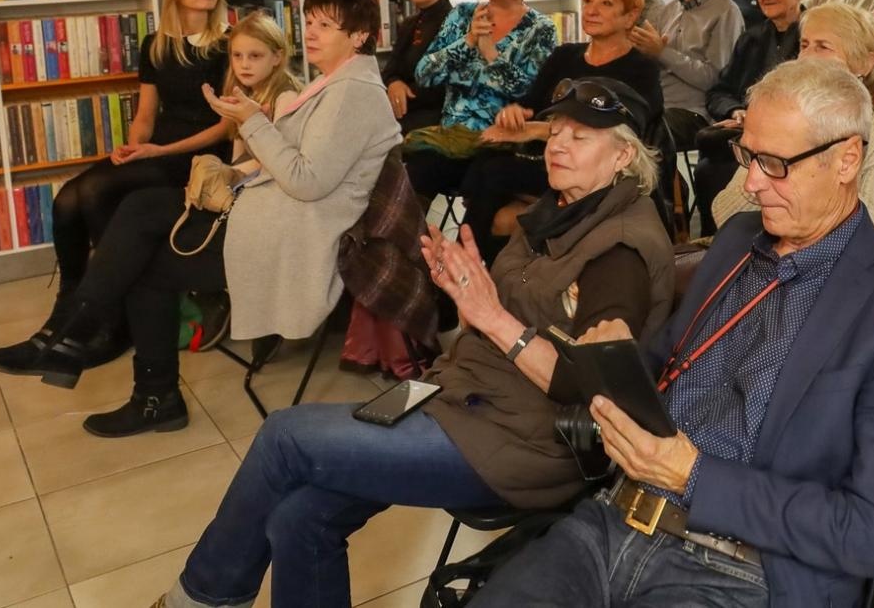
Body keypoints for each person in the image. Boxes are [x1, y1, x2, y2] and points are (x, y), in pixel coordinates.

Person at [150, 79, 675, 608]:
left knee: (284, 435)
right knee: (298, 516)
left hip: (523, 445)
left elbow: (593, 385)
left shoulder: (620, 251)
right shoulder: (563, 209)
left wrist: (490, 317)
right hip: (462, 399)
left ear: (624, 155)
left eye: (581, 136)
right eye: (556, 129)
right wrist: (470, 296)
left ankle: (200, 598)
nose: (557, 143)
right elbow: (513, 316)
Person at [470, 60, 874, 608]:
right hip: (613, 519)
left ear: (847, 159)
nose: (751, 184)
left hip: (743, 566)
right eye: (747, 155)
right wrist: (612, 359)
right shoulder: (737, 242)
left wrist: (693, 476)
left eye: (775, 164)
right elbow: (662, 366)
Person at [0, 0, 399, 437]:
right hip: (270, 214)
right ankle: (104, 360)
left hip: (291, 238)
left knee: (144, 239)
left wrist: (253, 120)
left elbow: (308, 182)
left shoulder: (353, 93)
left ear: (361, 36)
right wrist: (250, 136)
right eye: (308, 21)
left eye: (326, 26)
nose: (311, 32)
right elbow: (298, 161)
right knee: (141, 214)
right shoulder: (334, 83)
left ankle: (77, 342)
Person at [11, 0, 230, 367]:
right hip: (157, 150)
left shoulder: (226, 46)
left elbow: (226, 127)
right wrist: (133, 147)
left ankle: (101, 316)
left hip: (199, 156)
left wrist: (157, 153)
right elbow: (146, 116)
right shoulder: (156, 45)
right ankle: (70, 305)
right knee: (67, 199)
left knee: (97, 191)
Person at [460, 0, 664, 260]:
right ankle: (480, 277)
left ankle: (459, 273)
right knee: (486, 172)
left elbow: (623, 132)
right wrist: (515, 114)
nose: (591, 10)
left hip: (598, 170)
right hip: (545, 160)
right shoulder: (564, 56)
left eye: (605, 4)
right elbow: (529, 106)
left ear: (630, 17)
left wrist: (536, 130)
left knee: (493, 178)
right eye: (588, 1)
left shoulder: (641, 69)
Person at [712, 4, 874, 252]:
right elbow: (725, 214)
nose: (806, 58)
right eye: (804, 45)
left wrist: (793, 216)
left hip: (867, 284)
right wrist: (768, 159)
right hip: (774, 265)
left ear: (865, 63)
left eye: (823, 47)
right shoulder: (788, 120)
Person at [404, 0, 557, 199]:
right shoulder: (462, 15)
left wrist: (490, 53)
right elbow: (425, 74)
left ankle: (468, 240)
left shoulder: (540, 29)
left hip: (502, 141)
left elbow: (528, 93)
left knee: (485, 177)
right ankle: (412, 239)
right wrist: (469, 41)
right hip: (451, 138)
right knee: (408, 170)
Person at [693, 0, 807, 234]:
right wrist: (736, 111)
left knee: (717, 168)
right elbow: (719, 91)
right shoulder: (752, 38)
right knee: (707, 168)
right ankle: (714, 245)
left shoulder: (812, 38)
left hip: (791, 143)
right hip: (745, 138)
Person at [631, 0, 744, 151]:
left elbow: (715, 79)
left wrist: (661, 53)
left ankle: (670, 186)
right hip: (658, 107)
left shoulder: (725, 12)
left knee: (649, 133)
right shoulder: (670, 9)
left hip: (695, 114)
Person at [382, 0, 455, 133]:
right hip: (404, 110)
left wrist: (402, 93)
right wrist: (394, 83)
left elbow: (442, 84)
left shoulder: (455, 22)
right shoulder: (409, 24)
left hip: (437, 115)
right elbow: (390, 70)